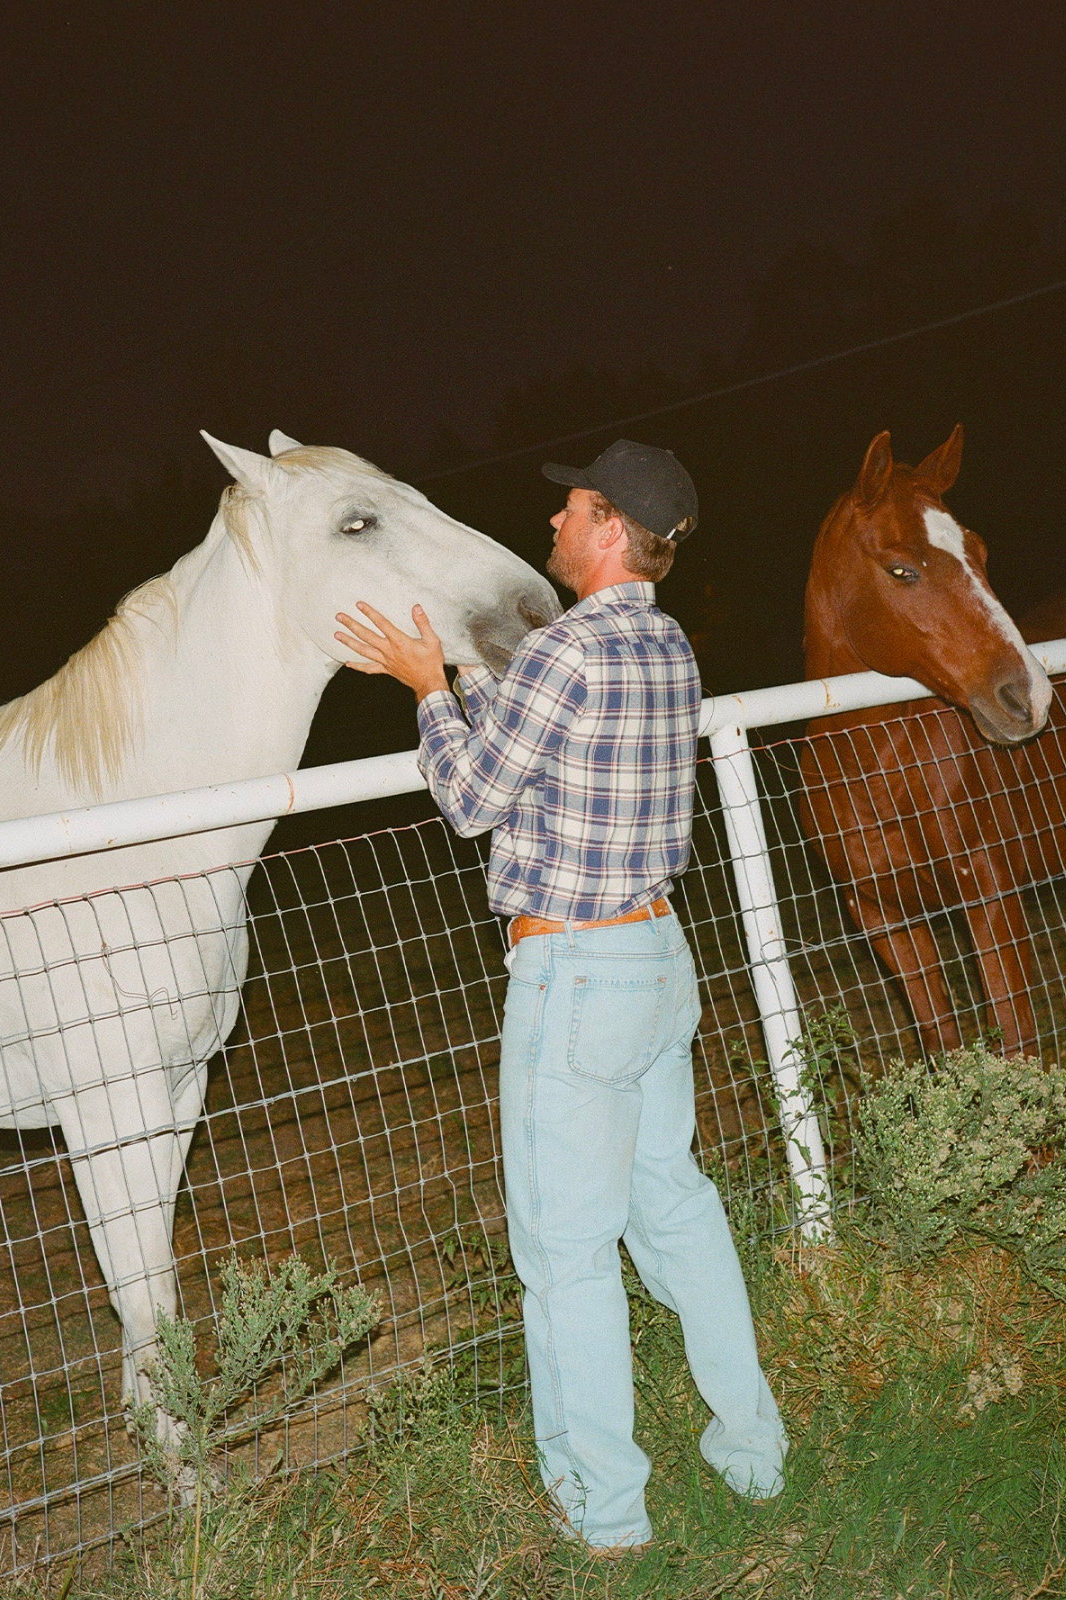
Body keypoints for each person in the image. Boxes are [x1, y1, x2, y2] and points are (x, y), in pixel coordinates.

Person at [334, 439, 786, 1555]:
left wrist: (429, 688)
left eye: (569, 510)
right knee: (674, 1205)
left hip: (574, 975)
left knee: (568, 1253)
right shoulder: (666, 643)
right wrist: (479, 676)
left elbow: (475, 796)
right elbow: (557, 743)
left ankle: (606, 1511)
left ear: (607, 528)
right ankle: (754, 1447)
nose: (550, 528)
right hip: (657, 956)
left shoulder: (566, 652)